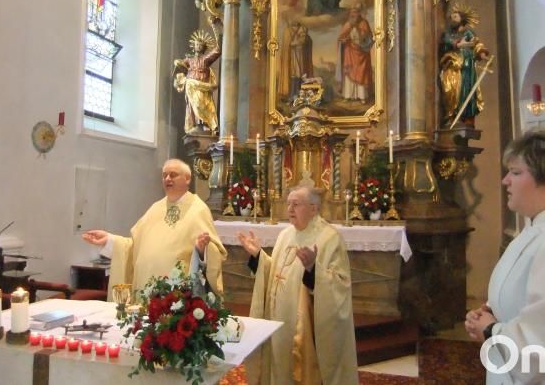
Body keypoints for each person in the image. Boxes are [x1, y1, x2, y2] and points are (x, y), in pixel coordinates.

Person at [465, 128, 545, 384]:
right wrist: (492, 310)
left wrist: (490, 329)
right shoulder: (540, 227)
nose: (505, 181)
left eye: (516, 173)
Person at [238, 186, 358, 385]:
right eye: (288, 204)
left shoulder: (329, 238)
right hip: (278, 322)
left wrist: (313, 269)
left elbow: (340, 285)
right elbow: (276, 273)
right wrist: (258, 256)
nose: (290, 209)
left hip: (305, 327)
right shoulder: (285, 234)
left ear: (313, 208)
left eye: (296, 204)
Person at [82, 159, 228, 298]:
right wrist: (109, 240)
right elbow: (135, 246)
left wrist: (201, 250)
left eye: (173, 175)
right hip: (146, 291)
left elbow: (214, 250)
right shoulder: (155, 208)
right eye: (164, 175)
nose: (167, 179)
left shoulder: (198, 209)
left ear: (187, 179)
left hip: (176, 296)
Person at [439, 3, 490, 126]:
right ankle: (452, 114)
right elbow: (446, 41)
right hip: (454, 65)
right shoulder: (449, 34)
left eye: (455, 17)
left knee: (467, 90)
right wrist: (456, 44)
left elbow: (477, 44)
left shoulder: (468, 33)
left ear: (462, 19)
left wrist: (482, 53)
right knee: (452, 89)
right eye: (452, 17)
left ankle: (467, 118)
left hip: (467, 65)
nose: (453, 19)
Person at [173, 19, 222, 134]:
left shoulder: (206, 59)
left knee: (201, 104)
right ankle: (195, 124)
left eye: (201, 45)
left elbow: (218, 50)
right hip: (191, 86)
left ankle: (204, 123)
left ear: (204, 47)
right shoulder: (189, 59)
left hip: (202, 86)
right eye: (197, 45)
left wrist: (214, 28)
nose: (199, 46)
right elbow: (180, 67)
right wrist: (177, 65)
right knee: (192, 104)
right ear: (193, 46)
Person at [337, 5, 374, 103]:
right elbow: (341, 37)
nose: (353, 14)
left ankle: (362, 96)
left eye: (355, 12)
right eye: (352, 12)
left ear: (359, 13)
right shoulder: (348, 24)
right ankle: (348, 95)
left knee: (361, 73)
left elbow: (370, 37)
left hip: (361, 53)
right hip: (349, 52)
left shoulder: (364, 23)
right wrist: (344, 40)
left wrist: (361, 36)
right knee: (349, 72)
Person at [279, 20, 314, 101]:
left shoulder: (302, 28)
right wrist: (291, 44)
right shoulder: (288, 31)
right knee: (293, 74)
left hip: (300, 55)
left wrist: (296, 43)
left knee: (299, 74)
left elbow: (304, 40)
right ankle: (292, 95)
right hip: (292, 56)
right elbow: (287, 44)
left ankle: (300, 94)